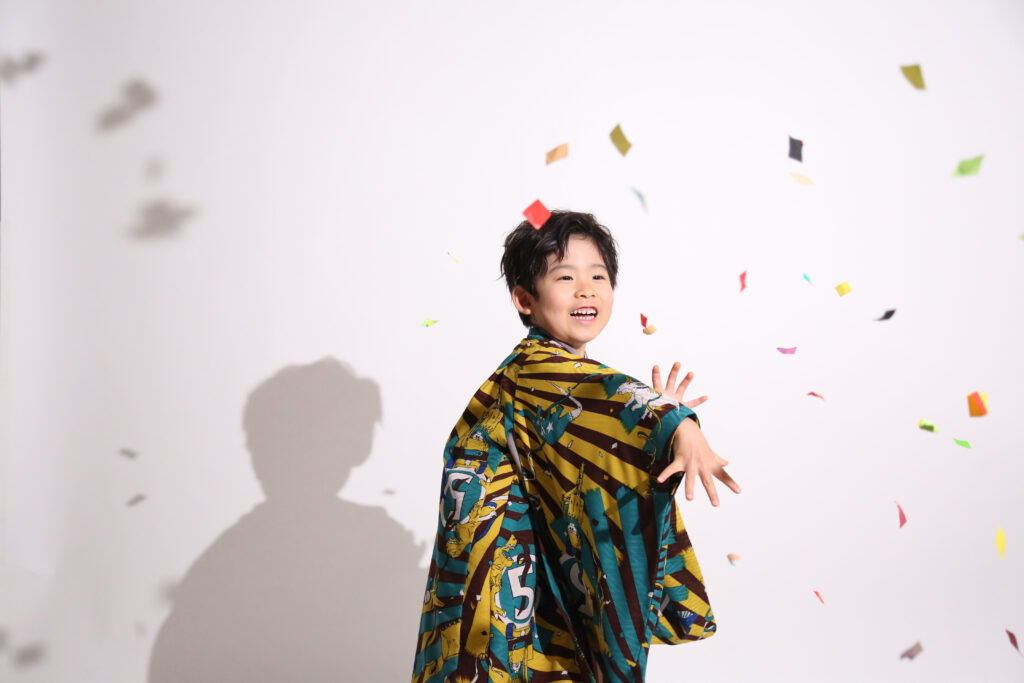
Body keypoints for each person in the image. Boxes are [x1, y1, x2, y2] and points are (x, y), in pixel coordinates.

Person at [411, 211, 741, 683]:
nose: (586, 290)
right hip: (499, 597)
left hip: (529, 584)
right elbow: (600, 395)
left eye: (598, 277)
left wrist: (648, 428)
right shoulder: (535, 370)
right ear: (525, 299)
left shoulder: (553, 375)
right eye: (566, 277)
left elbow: (598, 408)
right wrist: (674, 426)